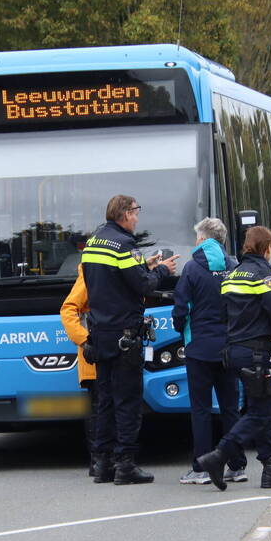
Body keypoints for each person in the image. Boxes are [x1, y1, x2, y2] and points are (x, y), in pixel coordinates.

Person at [82, 195, 178, 485]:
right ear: (124, 214)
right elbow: (142, 285)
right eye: (135, 213)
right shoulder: (124, 245)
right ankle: (125, 466)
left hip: (99, 334)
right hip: (125, 334)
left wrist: (141, 266)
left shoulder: (92, 244)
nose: (137, 218)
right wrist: (161, 270)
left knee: (105, 401)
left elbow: (109, 280)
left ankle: (102, 464)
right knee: (128, 402)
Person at [196, 226, 271, 491]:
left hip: (236, 351)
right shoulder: (266, 273)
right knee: (262, 410)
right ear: (266, 248)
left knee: (262, 408)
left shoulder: (231, 275)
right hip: (257, 352)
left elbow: (223, 314)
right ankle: (219, 455)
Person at [172, 217, 244, 485]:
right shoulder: (234, 266)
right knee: (230, 408)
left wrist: (183, 331)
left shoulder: (191, 269)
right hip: (229, 347)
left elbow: (181, 309)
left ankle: (201, 467)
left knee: (201, 409)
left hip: (199, 348)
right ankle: (237, 465)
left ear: (203, 239)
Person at [60, 263, 100, 476]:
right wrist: (85, 341)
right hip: (94, 356)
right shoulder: (90, 273)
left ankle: (109, 459)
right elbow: (68, 310)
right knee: (98, 408)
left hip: (112, 354)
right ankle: (98, 460)